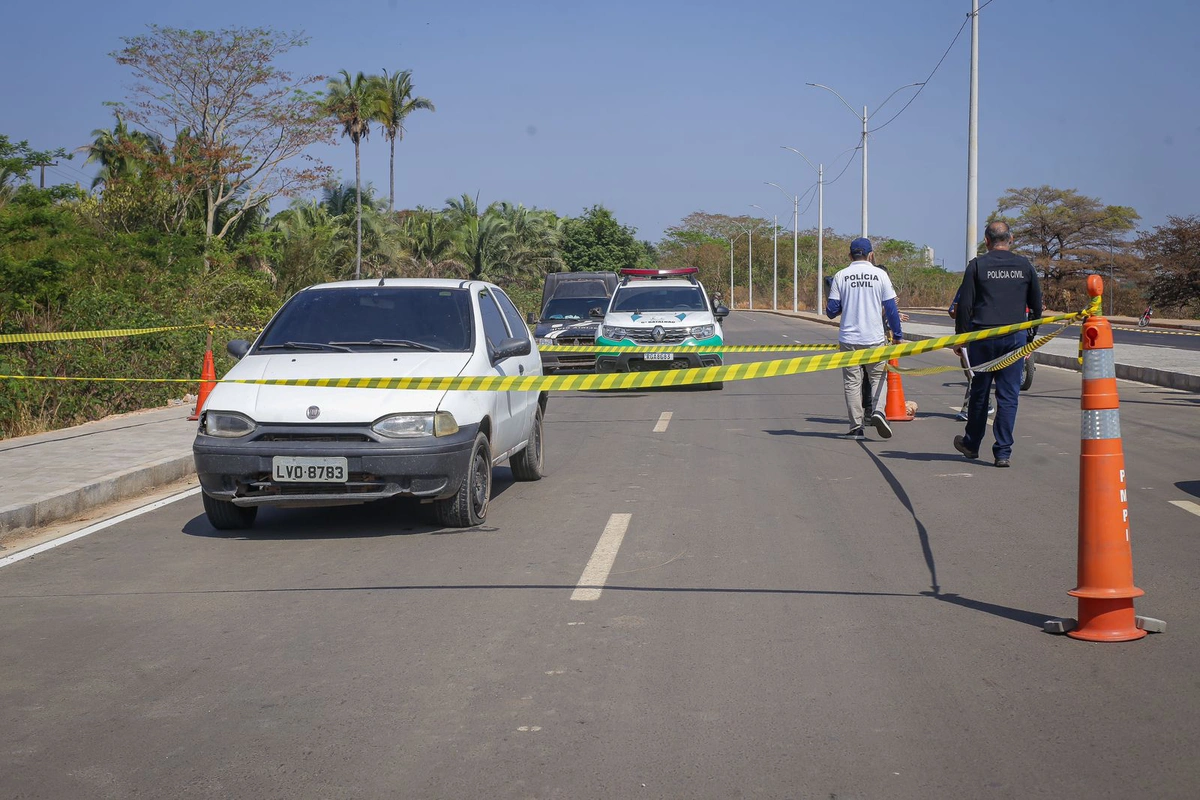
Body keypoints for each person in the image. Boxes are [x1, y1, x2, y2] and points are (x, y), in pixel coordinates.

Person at [952, 221, 1042, 467]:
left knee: (980, 392)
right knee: (1008, 396)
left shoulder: (977, 266)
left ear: (987, 240)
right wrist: (1029, 340)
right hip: (1015, 339)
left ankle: (971, 444)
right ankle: (1003, 452)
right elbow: (1037, 307)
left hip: (982, 339)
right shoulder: (1025, 266)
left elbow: (965, 307)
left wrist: (960, 339)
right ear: (1010, 239)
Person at [826, 237, 904, 440]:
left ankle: (856, 427)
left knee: (852, 382)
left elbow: (831, 312)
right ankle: (878, 411)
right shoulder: (880, 275)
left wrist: (846, 301)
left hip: (849, 339)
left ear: (850, 255)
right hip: (874, 338)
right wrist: (897, 335)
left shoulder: (841, 276)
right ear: (870, 255)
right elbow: (891, 309)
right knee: (878, 377)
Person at [948, 289, 995, 422]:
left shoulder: (969, 283)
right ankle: (987, 402)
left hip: (977, 336)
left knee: (973, 373)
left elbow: (955, 310)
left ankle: (969, 408)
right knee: (972, 374)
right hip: (973, 335)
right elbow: (953, 310)